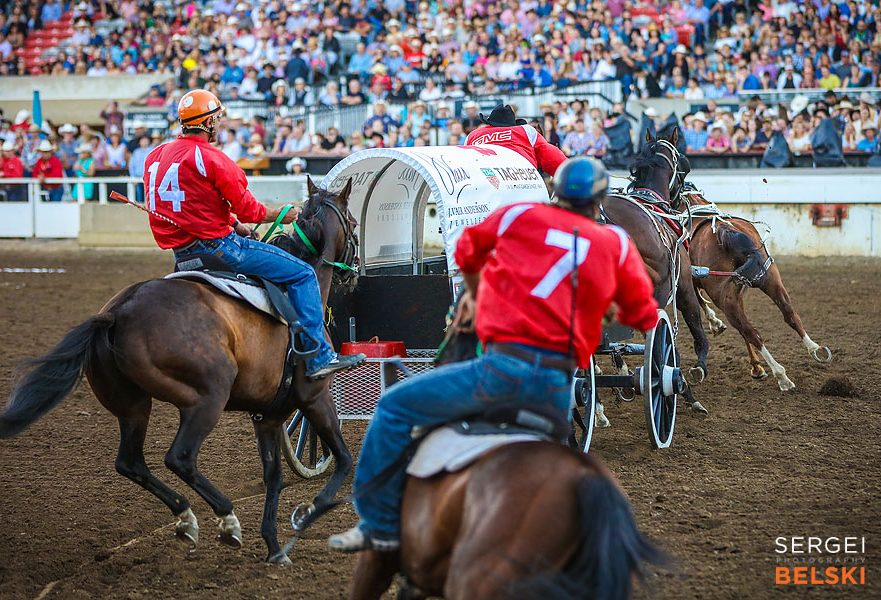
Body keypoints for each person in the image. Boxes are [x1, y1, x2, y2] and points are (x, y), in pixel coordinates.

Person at [328, 157, 660, 552]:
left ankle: (379, 523)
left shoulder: (519, 215)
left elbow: (467, 251)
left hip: (500, 371)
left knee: (394, 407)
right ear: (599, 200)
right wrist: (605, 306)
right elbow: (644, 316)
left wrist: (472, 291)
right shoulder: (617, 243)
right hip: (556, 389)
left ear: (554, 190)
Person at [145, 89, 364, 380]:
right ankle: (319, 356)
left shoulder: (155, 156)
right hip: (220, 248)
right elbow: (249, 209)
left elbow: (193, 202)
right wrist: (279, 214)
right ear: (208, 123)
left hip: (183, 255)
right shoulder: (213, 158)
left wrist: (232, 224)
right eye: (218, 119)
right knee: (303, 274)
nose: (220, 124)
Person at [464, 104, 567, 176]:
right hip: (522, 177)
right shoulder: (526, 131)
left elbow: (463, 161)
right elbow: (552, 157)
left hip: (483, 179)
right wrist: (570, 173)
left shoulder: (473, 135)